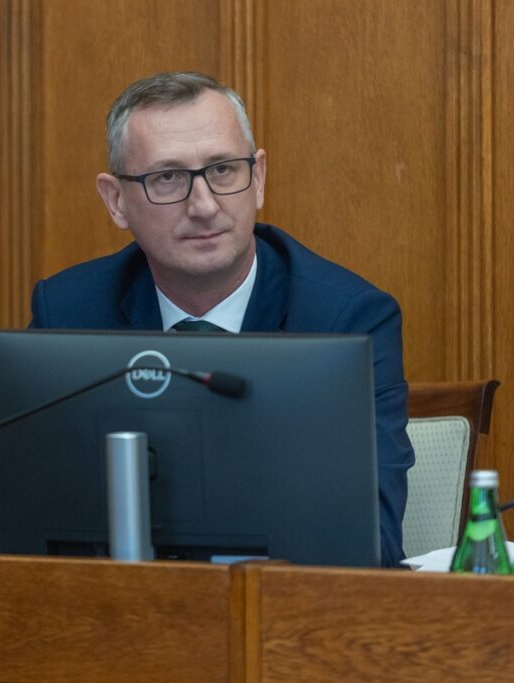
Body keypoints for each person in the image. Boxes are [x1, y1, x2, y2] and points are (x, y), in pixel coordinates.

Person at [29, 72, 413, 567]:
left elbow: (370, 540)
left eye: (223, 170)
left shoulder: (345, 320)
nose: (204, 205)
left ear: (257, 179)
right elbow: (28, 527)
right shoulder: (69, 312)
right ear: (116, 200)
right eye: (167, 177)